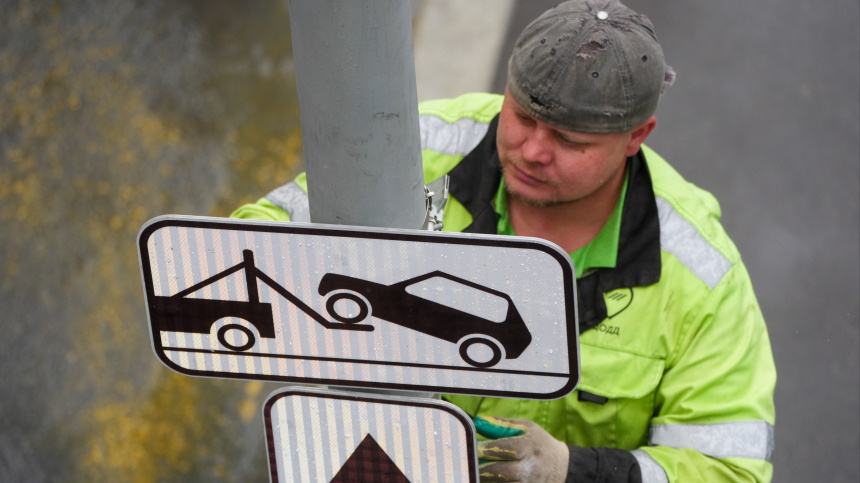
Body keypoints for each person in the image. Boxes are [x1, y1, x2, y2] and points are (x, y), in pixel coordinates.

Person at [231, 0, 776, 481]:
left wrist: (571, 471)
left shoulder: (700, 279)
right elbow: (258, 233)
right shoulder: (413, 151)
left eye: (568, 140)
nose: (531, 151)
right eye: (521, 116)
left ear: (637, 136)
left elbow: (730, 469)